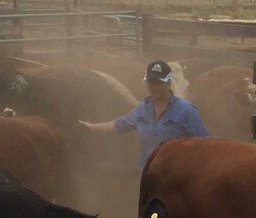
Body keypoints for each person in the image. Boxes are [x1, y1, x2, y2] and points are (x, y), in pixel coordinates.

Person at [79, 60, 209, 173]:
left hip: (176, 178)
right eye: (151, 82)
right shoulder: (143, 108)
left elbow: (205, 143)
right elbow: (122, 124)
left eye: (159, 82)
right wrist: (93, 127)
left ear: (169, 83)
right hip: (148, 175)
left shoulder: (186, 111)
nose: (154, 87)